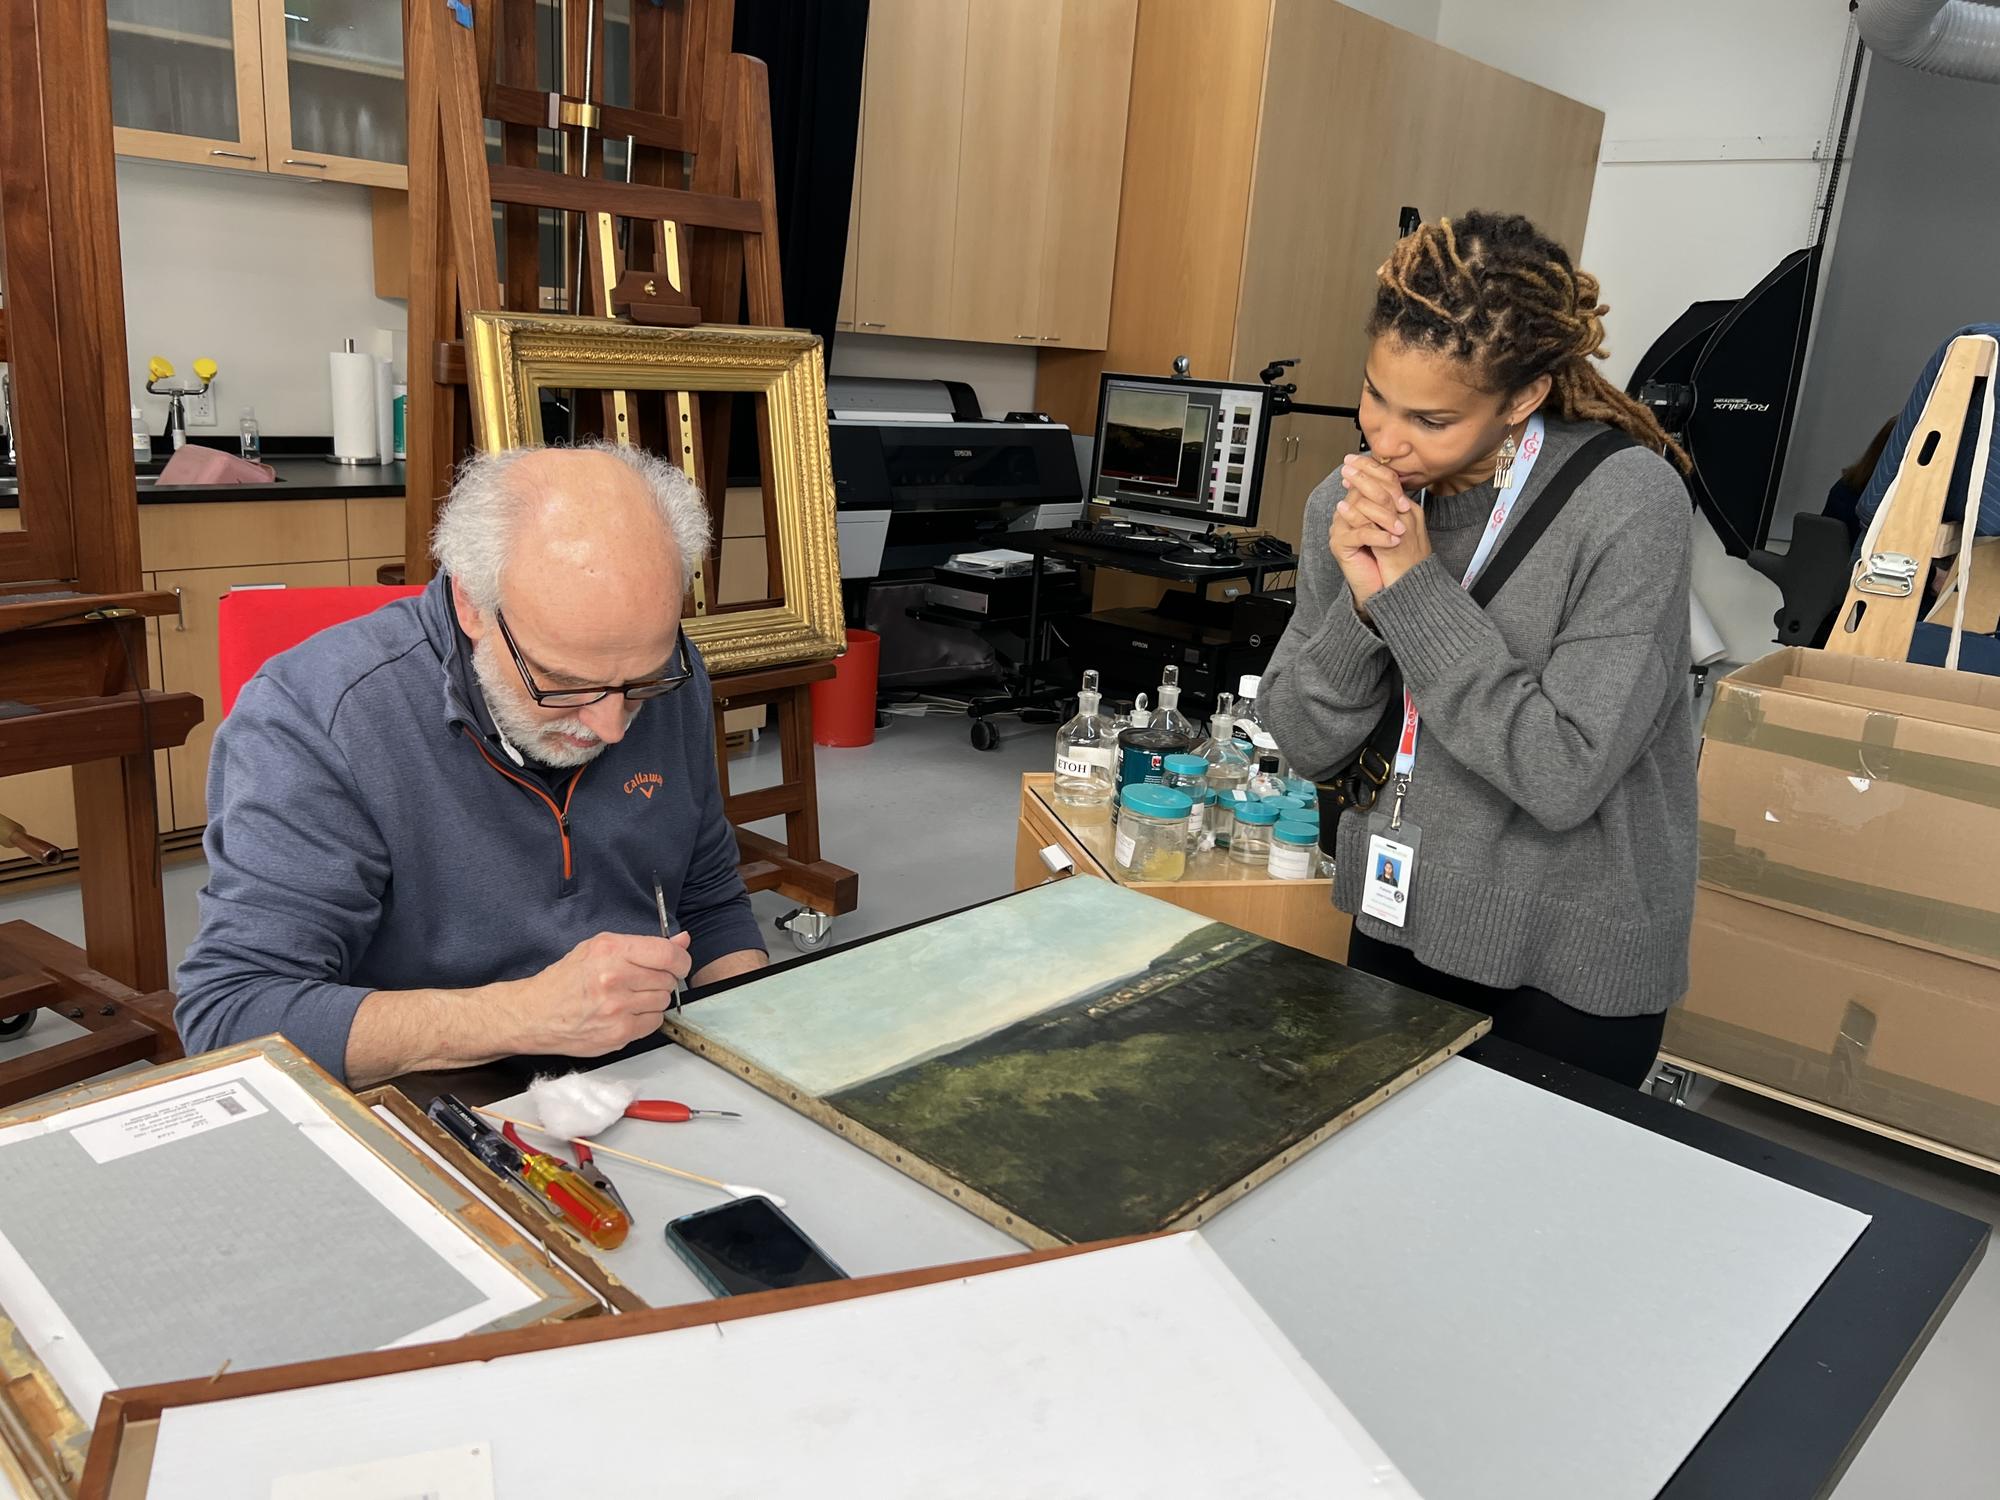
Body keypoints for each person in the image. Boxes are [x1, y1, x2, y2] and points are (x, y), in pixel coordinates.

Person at [1259, 211, 1695, 1089]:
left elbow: (1564, 772)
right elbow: (1303, 739)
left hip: (1569, 959)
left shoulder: (1628, 504)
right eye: (1375, 395)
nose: (1386, 439)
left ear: (1522, 399)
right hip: (1394, 916)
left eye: (1431, 417)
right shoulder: (1338, 509)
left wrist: (1414, 592)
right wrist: (1363, 602)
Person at [176, 442, 768, 1086]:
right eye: (563, 683)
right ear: (471, 604)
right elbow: (232, 1016)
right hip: (431, 1090)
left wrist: (760, 1055)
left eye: (641, 683)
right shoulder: (317, 715)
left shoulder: (667, 675)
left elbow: (708, 901)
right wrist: (521, 1015)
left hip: (641, 1068)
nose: (610, 726)